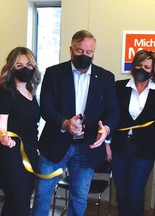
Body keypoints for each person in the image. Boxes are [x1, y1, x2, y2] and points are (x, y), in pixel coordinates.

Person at [31, 30, 120, 216]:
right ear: (71, 50)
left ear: (94, 52)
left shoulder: (105, 77)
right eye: (80, 51)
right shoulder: (54, 73)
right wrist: (65, 123)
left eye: (89, 52)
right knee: (42, 193)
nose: (84, 55)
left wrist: (106, 130)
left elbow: (113, 110)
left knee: (79, 197)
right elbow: (46, 107)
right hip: (55, 144)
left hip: (87, 147)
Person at [110, 50, 155, 216]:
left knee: (135, 193)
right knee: (121, 193)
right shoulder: (119, 87)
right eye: (139, 64)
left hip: (144, 151)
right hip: (119, 148)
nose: (141, 69)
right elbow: (111, 116)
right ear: (133, 65)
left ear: (153, 70)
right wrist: (107, 144)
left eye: (146, 66)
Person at [0, 47, 41, 216]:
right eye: (19, 65)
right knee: (18, 202)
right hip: (11, 156)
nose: (25, 69)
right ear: (11, 67)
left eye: (28, 64)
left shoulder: (30, 91)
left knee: (21, 202)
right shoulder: (4, 93)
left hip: (30, 154)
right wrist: (3, 137)